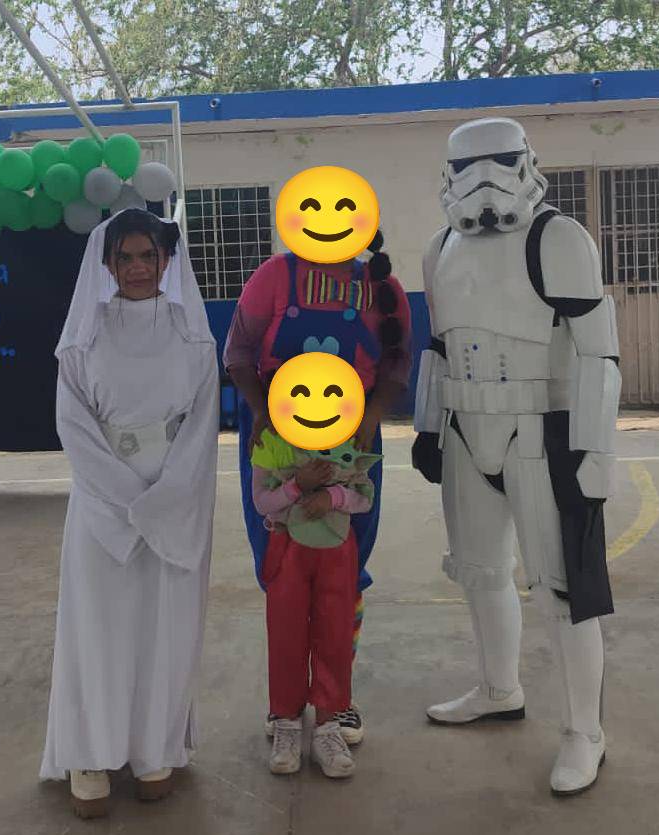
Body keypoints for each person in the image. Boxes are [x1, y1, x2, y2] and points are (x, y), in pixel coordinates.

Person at [412, 117, 621, 796]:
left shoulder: (558, 238)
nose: (484, 178)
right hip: (465, 430)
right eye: (467, 165)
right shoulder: (439, 248)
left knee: (563, 590)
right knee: (480, 573)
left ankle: (584, 732)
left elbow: (598, 354)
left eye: (500, 160)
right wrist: (427, 427)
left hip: (540, 432)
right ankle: (499, 689)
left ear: (527, 162)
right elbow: (438, 348)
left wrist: (594, 454)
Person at [40, 208, 219, 818]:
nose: (138, 267)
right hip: (102, 503)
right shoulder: (83, 340)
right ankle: (90, 754)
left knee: (164, 625)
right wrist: (123, 499)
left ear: (167, 260)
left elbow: (200, 430)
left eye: (149, 255)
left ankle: (153, 748)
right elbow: (73, 426)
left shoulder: (194, 340)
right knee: (98, 624)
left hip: (174, 500)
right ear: (107, 264)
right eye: (125, 257)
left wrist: (166, 501)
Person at [224, 230, 412, 745]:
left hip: (351, 438)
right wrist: (262, 410)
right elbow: (237, 353)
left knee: (345, 567)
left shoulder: (381, 286)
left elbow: (397, 361)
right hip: (275, 437)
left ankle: (336, 700)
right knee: (280, 564)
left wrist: (371, 418)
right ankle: (285, 704)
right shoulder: (273, 277)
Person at [251, 431, 381, 777]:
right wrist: (297, 486)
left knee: (334, 634)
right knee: (286, 635)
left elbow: (365, 497)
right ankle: (286, 721)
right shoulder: (271, 442)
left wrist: (333, 496)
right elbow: (261, 502)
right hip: (286, 550)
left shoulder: (348, 437)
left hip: (336, 552)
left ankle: (328, 724)